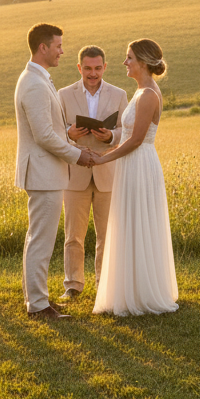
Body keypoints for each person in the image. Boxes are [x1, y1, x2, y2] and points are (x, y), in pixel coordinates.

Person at [91, 39, 180, 317]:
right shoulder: (141, 91)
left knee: (138, 221)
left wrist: (104, 158)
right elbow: (128, 138)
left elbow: (137, 140)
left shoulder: (149, 95)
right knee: (130, 222)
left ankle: (141, 293)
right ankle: (129, 288)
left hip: (140, 163)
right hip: (132, 162)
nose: (125, 63)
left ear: (142, 62)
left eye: (129, 58)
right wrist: (104, 151)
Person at [14, 24, 94, 321]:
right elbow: (44, 135)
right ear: (43, 47)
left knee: (37, 238)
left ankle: (36, 299)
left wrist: (70, 138)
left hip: (46, 173)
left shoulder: (37, 78)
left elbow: (51, 131)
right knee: (41, 240)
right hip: (43, 174)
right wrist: (78, 155)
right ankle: (37, 305)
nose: (62, 51)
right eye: (58, 46)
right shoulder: (33, 83)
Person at [58, 45, 129, 301]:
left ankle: (104, 285)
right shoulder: (63, 94)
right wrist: (69, 133)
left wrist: (111, 135)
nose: (93, 73)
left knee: (106, 235)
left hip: (107, 171)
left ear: (105, 67)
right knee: (73, 235)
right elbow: (55, 130)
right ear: (79, 68)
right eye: (87, 68)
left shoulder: (120, 94)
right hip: (74, 172)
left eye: (97, 68)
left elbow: (127, 131)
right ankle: (73, 285)